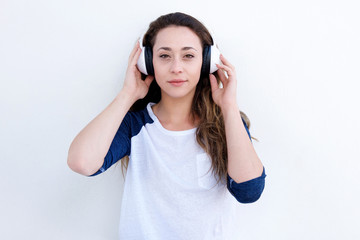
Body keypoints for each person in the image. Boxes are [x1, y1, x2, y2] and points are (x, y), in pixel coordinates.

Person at [67, 12, 267, 240]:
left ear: (207, 62)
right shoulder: (136, 125)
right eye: (164, 56)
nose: (176, 68)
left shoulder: (227, 123)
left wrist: (229, 105)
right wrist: (128, 94)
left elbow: (249, 191)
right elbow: (81, 163)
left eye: (188, 56)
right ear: (148, 62)